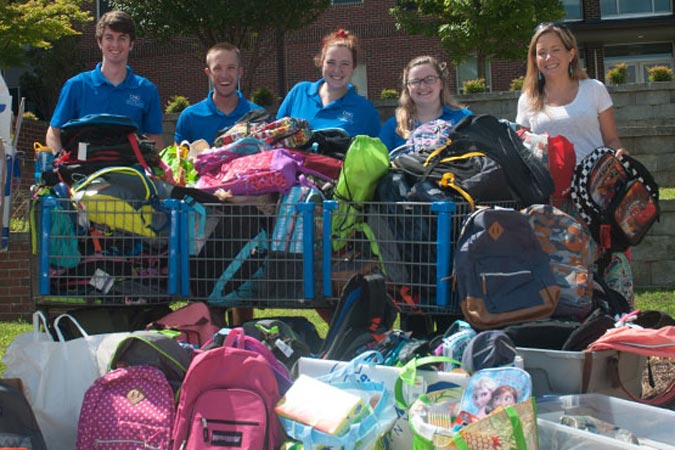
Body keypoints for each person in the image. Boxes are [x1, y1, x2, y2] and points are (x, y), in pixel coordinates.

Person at [46, 11, 163, 151]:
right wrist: (61, 164)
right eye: (109, 37)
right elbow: (53, 133)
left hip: (130, 171)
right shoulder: (76, 86)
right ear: (99, 42)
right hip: (84, 171)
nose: (115, 44)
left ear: (131, 44)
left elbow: (155, 141)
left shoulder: (147, 90)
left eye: (122, 38)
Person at [515, 22, 627, 162]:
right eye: (542, 53)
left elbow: (611, 140)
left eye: (555, 49)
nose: (549, 57)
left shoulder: (594, 89)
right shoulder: (527, 100)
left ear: (571, 54)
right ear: (535, 60)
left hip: (593, 181)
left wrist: (619, 154)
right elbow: (524, 152)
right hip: (549, 183)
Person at [276, 29, 380, 138]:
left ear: (353, 67)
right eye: (331, 62)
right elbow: (274, 137)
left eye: (345, 64)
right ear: (321, 63)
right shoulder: (299, 93)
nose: (337, 70)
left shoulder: (365, 110)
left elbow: (376, 151)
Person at [174, 42, 264, 146]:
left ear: (239, 72)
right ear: (208, 73)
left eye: (230, 68)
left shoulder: (259, 116)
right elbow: (177, 160)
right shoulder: (190, 117)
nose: (224, 75)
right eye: (217, 68)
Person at [379, 55, 472, 151]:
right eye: (415, 81)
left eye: (430, 79)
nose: (422, 86)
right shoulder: (394, 126)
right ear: (407, 88)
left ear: (441, 83)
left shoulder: (464, 118)